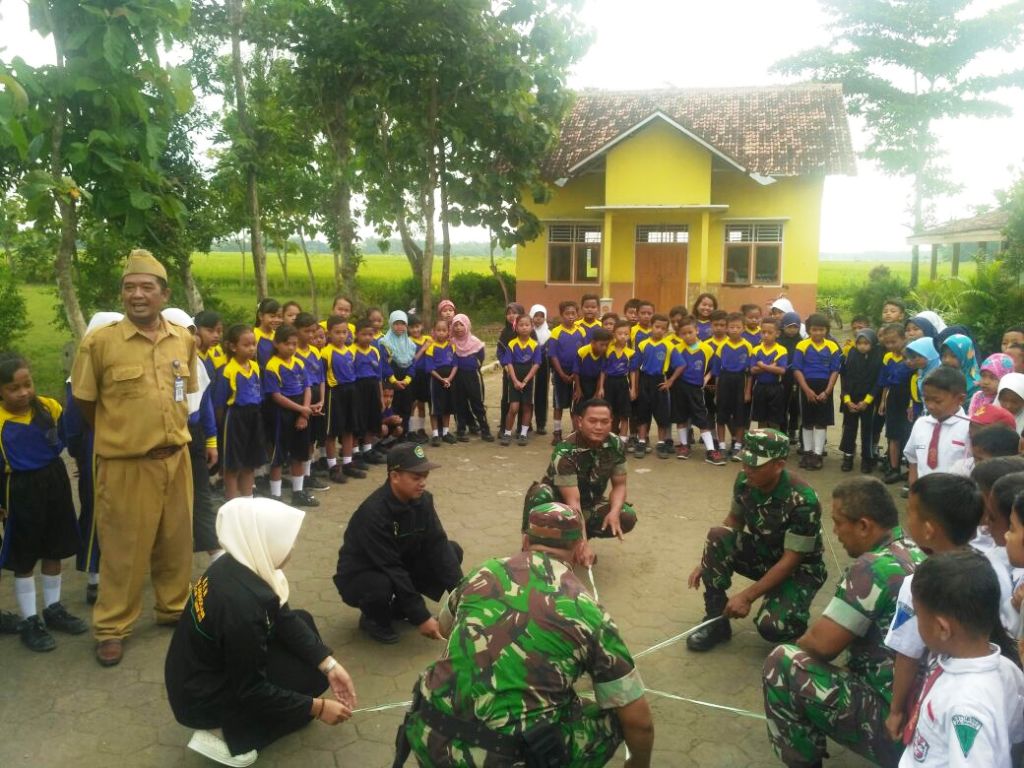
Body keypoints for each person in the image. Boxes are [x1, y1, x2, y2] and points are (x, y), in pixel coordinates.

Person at [397, 502, 654, 768]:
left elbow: (443, 627)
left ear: (525, 540)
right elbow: (640, 722)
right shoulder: (587, 610)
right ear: (579, 548)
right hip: (500, 757)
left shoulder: (483, 571)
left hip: (429, 733)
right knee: (617, 715)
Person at [71, 249, 197, 667]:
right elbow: (87, 406)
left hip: (177, 457)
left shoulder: (184, 338)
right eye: (129, 288)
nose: (137, 295)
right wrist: (125, 435)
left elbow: (187, 393)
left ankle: (173, 608)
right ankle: (111, 627)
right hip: (126, 464)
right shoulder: (100, 343)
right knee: (123, 549)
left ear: (164, 293)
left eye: (146, 287)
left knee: (176, 542)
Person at [165, 498, 357, 767]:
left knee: (304, 627)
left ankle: (253, 717)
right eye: (286, 539)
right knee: (303, 689)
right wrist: (318, 708)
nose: (292, 547)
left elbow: (284, 616)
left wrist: (330, 664)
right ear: (262, 540)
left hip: (197, 672)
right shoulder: (241, 606)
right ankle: (224, 734)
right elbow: (252, 688)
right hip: (201, 697)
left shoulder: (236, 564)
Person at [762, 476, 924, 767]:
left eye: (838, 522)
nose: (834, 531)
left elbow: (820, 646)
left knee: (784, 662)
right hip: (926, 714)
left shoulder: (875, 567)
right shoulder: (917, 549)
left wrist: (804, 650)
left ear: (864, 525)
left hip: (897, 726)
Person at [686, 429, 827, 651]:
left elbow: (792, 560)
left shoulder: (803, 500)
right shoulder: (745, 481)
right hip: (766, 554)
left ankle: (793, 616)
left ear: (778, 465)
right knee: (717, 536)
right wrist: (707, 561)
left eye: (755, 465)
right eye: (745, 462)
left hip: (799, 569)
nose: (746, 469)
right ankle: (716, 622)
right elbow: (733, 520)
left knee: (773, 627)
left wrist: (747, 597)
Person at [898, 551, 1024, 768]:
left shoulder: (966, 707)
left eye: (919, 616)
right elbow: (1015, 734)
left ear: (942, 628)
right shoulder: (1008, 669)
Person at [333, 443, 464, 645]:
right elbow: (391, 566)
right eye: (416, 477)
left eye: (425, 477)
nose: (423, 483)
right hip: (362, 573)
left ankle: (401, 609)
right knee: (380, 585)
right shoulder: (373, 513)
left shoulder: (423, 501)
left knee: (451, 551)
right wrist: (421, 616)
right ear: (394, 476)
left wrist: (462, 601)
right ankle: (372, 618)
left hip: (398, 562)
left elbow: (437, 544)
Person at [0, 354, 88, 651]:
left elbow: (63, 437)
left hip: (54, 481)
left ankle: (53, 608)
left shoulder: (50, 407)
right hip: (20, 488)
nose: (24, 392)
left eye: (28, 385)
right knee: (25, 557)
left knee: (54, 548)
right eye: (14, 388)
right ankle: (30, 620)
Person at [524, 398, 638, 547]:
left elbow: (620, 485)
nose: (598, 427)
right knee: (540, 493)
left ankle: (578, 537)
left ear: (612, 422)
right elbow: (573, 503)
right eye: (592, 421)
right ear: (579, 421)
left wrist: (615, 512)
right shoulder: (565, 451)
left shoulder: (615, 443)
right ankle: (532, 542)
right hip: (560, 508)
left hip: (589, 504)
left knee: (626, 515)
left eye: (604, 422)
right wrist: (582, 545)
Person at [264, 325, 318, 507]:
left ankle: (298, 492)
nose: (292, 348)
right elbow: (276, 396)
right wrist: (301, 409)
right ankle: (276, 496)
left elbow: (307, 388)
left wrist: (304, 412)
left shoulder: (299, 363)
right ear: (276, 343)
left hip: (301, 410)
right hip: (282, 413)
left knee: (299, 453)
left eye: (295, 344)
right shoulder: (272, 366)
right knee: (278, 456)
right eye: (287, 344)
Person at [214, 324, 267, 500]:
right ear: (233, 346)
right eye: (246, 345)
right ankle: (232, 502)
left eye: (254, 344)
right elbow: (220, 402)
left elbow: (259, 392)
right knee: (233, 464)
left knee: (249, 461)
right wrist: (222, 428)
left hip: (253, 416)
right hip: (234, 418)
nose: (252, 348)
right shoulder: (227, 370)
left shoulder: (255, 366)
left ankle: (247, 501)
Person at [904, 367, 970, 485]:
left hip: (956, 496)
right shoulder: (920, 424)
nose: (930, 406)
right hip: (924, 493)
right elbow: (913, 459)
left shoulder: (969, 428)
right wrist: (913, 488)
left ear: (960, 399)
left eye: (937, 401)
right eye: (926, 399)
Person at [793, 314, 842, 470]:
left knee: (821, 423)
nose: (818, 333)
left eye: (821, 330)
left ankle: (817, 454)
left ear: (826, 330)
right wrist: (806, 390)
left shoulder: (832, 346)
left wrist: (827, 391)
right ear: (808, 330)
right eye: (814, 330)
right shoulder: (802, 345)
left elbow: (835, 370)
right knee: (807, 422)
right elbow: (797, 369)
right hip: (807, 386)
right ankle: (807, 453)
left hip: (824, 387)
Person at [840, 328, 883, 473]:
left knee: (867, 430)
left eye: (866, 343)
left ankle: (866, 459)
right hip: (851, 400)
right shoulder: (850, 355)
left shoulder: (878, 357)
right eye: (859, 343)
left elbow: (878, 382)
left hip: (869, 401)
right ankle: (848, 456)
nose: (862, 346)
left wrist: (867, 401)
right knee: (849, 429)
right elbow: (844, 378)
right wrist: (847, 400)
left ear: (873, 343)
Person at [499, 312, 542, 447]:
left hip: (528, 382)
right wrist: (516, 381)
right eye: (521, 325)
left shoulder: (535, 345)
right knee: (513, 407)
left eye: (527, 325)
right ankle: (507, 433)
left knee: (527, 406)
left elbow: (536, 364)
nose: (524, 327)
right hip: (514, 381)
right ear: (516, 327)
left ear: (532, 327)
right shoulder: (511, 344)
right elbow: (509, 363)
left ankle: (523, 434)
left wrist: (526, 381)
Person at [450, 314, 494, 442]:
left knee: (477, 403)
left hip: (473, 376)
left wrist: (474, 364)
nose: (458, 328)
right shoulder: (451, 342)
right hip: (457, 377)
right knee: (460, 404)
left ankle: (485, 429)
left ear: (467, 325)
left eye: (461, 325)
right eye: (455, 325)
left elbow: (481, 357)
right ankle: (461, 430)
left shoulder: (475, 342)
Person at [969, 352, 1015, 417]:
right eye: (983, 376)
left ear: (1005, 379)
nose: (986, 382)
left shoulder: (1005, 401)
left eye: (993, 378)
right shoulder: (977, 396)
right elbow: (971, 418)